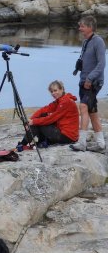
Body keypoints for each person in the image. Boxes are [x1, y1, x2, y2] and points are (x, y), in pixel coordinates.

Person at [70, 15, 105, 151]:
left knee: (83, 107)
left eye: (82, 26)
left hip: (93, 83)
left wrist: (90, 79)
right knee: (92, 112)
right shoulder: (86, 42)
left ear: (90, 27)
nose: (80, 29)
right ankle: (101, 144)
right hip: (84, 81)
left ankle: (82, 142)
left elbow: (101, 64)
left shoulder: (99, 42)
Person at [18, 80, 78, 148]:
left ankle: (22, 144)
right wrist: (30, 120)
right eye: (52, 91)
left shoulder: (66, 102)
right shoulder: (60, 100)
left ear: (62, 89)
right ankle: (39, 142)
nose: (53, 93)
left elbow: (52, 118)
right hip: (63, 133)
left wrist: (33, 122)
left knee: (39, 123)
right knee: (41, 116)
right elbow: (44, 109)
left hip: (68, 137)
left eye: (55, 90)